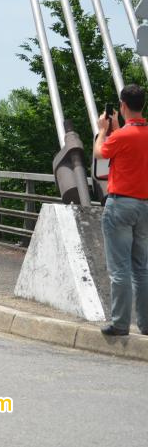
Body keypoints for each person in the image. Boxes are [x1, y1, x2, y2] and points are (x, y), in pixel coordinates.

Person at [93, 84, 148, 336]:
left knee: (120, 269)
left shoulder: (119, 136)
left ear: (123, 106)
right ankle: (146, 325)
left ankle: (120, 323)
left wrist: (103, 131)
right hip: (144, 206)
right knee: (142, 268)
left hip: (120, 205)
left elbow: (100, 152)